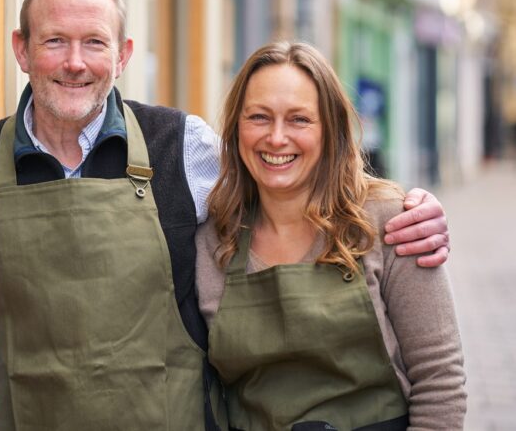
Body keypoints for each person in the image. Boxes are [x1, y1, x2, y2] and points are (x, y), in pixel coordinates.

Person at [0, 0, 452, 429]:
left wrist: (411, 209)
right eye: (54, 41)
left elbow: (286, 182)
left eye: (94, 42)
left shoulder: (185, 147)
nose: (75, 62)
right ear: (21, 49)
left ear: (122, 56)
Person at [196, 41, 466, 430]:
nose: (276, 138)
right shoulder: (211, 241)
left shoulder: (390, 223)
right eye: (258, 117)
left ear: (331, 129)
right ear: (236, 125)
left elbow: (441, 384)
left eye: (299, 120)